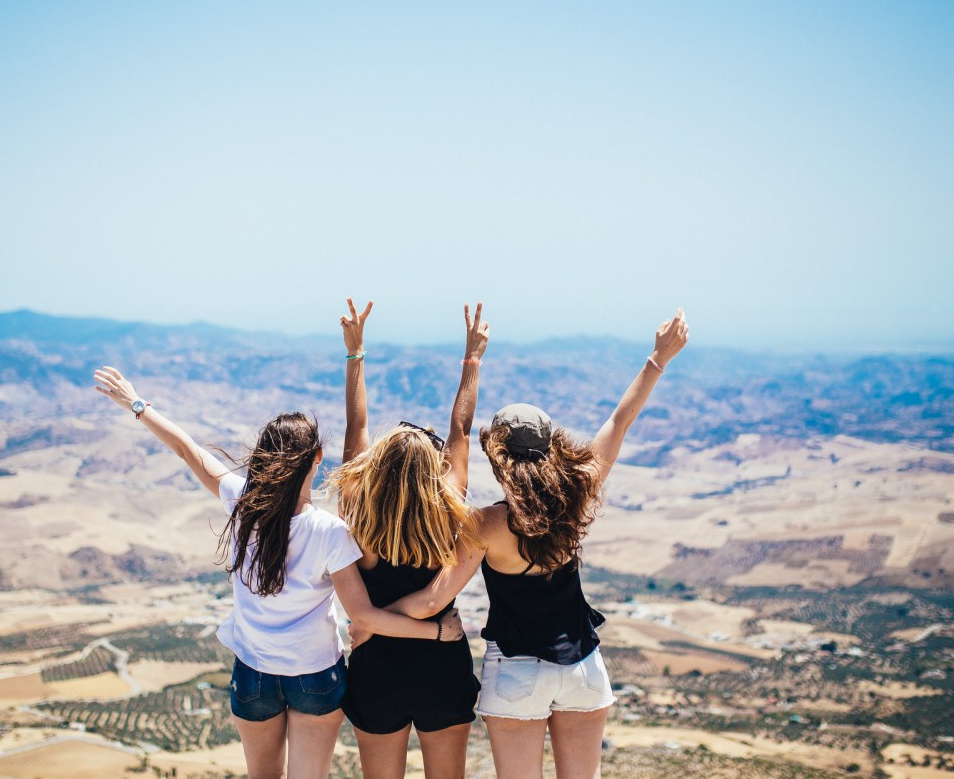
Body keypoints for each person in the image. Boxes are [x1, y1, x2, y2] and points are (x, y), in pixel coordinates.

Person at [93, 362, 464, 779]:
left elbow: (188, 449)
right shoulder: (330, 533)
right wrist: (435, 631)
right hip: (314, 675)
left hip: (253, 674)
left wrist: (136, 404)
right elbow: (363, 617)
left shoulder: (241, 501)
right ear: (317, 459)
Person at [385, 308, 690, 779]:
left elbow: (431, 601)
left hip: (517, 674)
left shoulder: (487, 525)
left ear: (498, 459)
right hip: (584, 669)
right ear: (552, 449)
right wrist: (658, 357)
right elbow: (620, 421)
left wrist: (372, 618)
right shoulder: (580, 491)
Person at [328, 299, 488, 779]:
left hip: (376, 665)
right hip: (442, 662)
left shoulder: (357, 511)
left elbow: (357, 427)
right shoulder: (449, 510)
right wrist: (472, 358)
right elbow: (461, 426)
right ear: (432, 471)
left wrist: (355, 354)